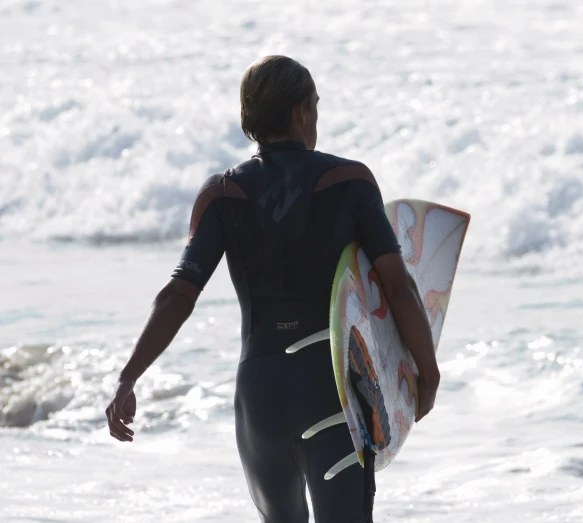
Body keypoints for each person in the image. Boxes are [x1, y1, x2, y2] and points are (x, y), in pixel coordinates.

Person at [105, 55, 441, 523]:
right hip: (332, 389)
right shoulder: (350, 182)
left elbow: (178, 294)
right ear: (302, 110)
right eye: (316, 105)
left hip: (259, 398)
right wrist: (426, 371)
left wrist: (129, 376)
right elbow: (398, 286)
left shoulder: (222, 193)